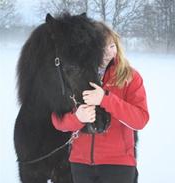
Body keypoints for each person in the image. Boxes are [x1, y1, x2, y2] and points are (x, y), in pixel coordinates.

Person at [51, 21, 149, 183]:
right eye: (101, 47)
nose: (108, 53)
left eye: (112, 46)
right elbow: (57, 120)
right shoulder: (73, 76)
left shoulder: (130, 77)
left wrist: (105, 99)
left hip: (118, 165)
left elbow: (140, 120)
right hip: (80, 164)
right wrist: (77, 118)